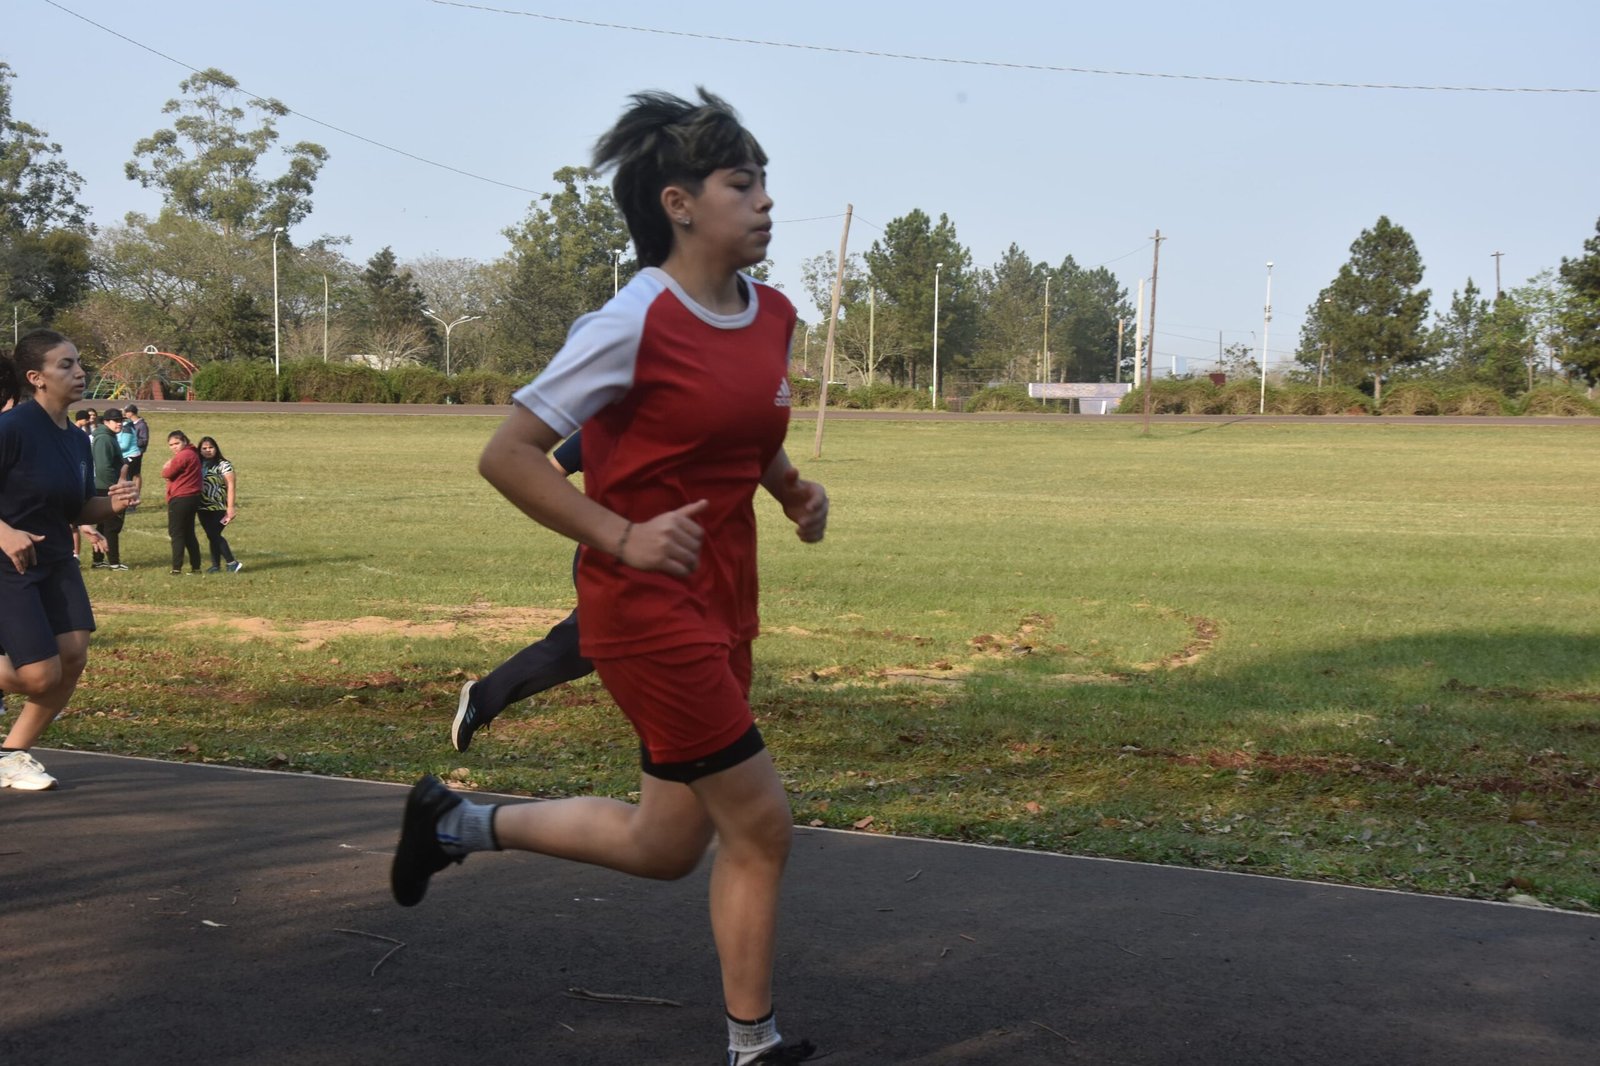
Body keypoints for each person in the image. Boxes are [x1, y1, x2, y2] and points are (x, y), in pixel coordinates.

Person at [391, 89, 829, 1066]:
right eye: (741, 182)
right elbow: (508, 454)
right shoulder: (631, 322)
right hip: (644, 609)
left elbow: (740, 433)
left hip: (725, 603)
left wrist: (794, 490)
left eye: (765, 181)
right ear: (679, 203)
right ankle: (751, 1045)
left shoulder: (775, 315)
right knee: (759, 825)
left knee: (668, 843)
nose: (765, 201)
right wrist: (620, 537)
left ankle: (452, 820)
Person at [0, 330, 137, 790]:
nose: (79, 372)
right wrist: (4, 532)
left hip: (56, 560)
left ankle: (12, 753)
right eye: (65, 365)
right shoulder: (12, 429)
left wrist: (112, 504)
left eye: (78, 363)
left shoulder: (78, 440)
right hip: (8, 564)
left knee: (73, 656)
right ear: (36, 378)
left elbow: (77, 508)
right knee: (39, 676)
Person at [450, 430, 591, 752]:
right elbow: (544, 474)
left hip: (680, 558)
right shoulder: (608, 426)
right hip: (610, 558)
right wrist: (593, 525)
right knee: (585, 643)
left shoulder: (702, 424)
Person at [88, 408, 130, 571]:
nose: (119, 423)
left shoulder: (108, 436)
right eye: (115, 420)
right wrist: (115, 488)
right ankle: (114, 562)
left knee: (103, 526)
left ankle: (98, 560)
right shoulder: (104, 439)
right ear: (105, 422)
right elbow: (103, 467)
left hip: (105, 486)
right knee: (112, 525)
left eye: (121, 420)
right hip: (107, 487)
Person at [196, 435, 242, 573]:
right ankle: (216, 566)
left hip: (218, 507)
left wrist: (230, 508)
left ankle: (232, 562)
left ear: (216, 448)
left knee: (214, 534)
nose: (207, 450)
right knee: (212, 535)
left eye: (211, 447)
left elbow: (231, 486)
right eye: (204, 448)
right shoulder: (198, 463)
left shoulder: (224, 465)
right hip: (201, 506)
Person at [160, 429, 202, 575]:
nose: (174, 447)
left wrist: (167, 466)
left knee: (176, 533)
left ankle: (176, 568)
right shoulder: (193, 453)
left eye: (177, 443)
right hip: (192, 497)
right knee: (189, 532)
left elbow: (166, 473)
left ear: (184, 441)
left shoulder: (184, 455)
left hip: (181, 497)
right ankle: (196, 567)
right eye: (171, 445)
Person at [118, 403, 144, 508]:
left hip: (131, 456)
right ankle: (131, 502)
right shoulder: (126, 426)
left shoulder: (126, 428)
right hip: (132, 455)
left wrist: (113, 446)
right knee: (130, 479)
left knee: (127, 480)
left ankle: (131, 503)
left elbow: (125, 445)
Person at [123, 404, 148, 501]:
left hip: (137, 452)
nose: (125, 414)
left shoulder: (141, 425)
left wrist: (132, 442)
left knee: (135, 474)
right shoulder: (129, 424)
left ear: (131, 413)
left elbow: (144, 440)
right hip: (130, 453)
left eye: (126, 412)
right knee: (131, 474)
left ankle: (135, 495)